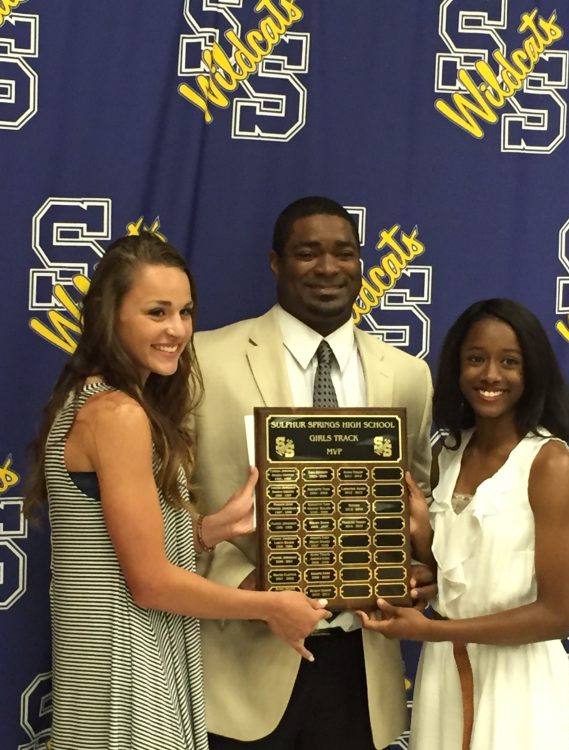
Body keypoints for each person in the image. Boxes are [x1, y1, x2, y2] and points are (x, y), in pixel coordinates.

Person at [23, 233, 330, 750]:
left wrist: (209, 530)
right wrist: (270, 606)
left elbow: (109, 542)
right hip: (126, 672)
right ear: (109, 315)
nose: (177, 330)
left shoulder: (95, 401)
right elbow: (151, 584)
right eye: (156, 312)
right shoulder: (118, 414)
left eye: (185, 312)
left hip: (113, 663)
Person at [191, 196, 435, 750]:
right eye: (308, 253)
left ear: (361, 263)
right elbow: (176, 505)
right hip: (242, 665)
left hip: (360, 665)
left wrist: (420, 568)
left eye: (343, 253)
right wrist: (242, 590)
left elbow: (419, 505)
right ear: (276, 262)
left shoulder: (407, 375)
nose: (328, 268)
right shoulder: (205, 361)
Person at [357, 298, 569, 750]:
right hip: (445, 675)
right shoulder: (446, 456)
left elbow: (556, 616)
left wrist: (431, 631)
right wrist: (422, 542)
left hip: (517, 682)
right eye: (476, 359)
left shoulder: (549, 464)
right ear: (457, 369)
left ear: (532, 370)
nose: (491, 375)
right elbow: (459, 579)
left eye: (510, 362)